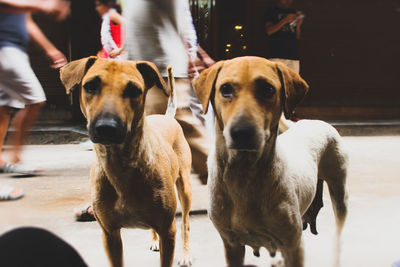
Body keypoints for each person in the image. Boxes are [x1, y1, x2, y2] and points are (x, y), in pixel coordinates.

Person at [123, 0, 210, 184]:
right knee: (139, 133)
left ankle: (225, 179)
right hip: (143, 67)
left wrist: (192, 53)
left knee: (175, 129)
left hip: (161, 68)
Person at [0, 0, 69, 175]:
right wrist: (41, 6)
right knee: (35, 100)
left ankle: (3, 161)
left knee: (5, 108)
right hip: (5, 49)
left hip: (15, 50)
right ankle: (15, 158)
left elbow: (26, 21)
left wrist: (50, 49)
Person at [264, 0, 304, 73]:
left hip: (293, 55)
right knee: (277, 82)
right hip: (276, 54)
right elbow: (269, 31)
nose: (288, 1)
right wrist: (285, 20)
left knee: (293, 83)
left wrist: (298, 25)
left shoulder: (293, 12)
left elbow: (297, 36)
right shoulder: (271, 11)